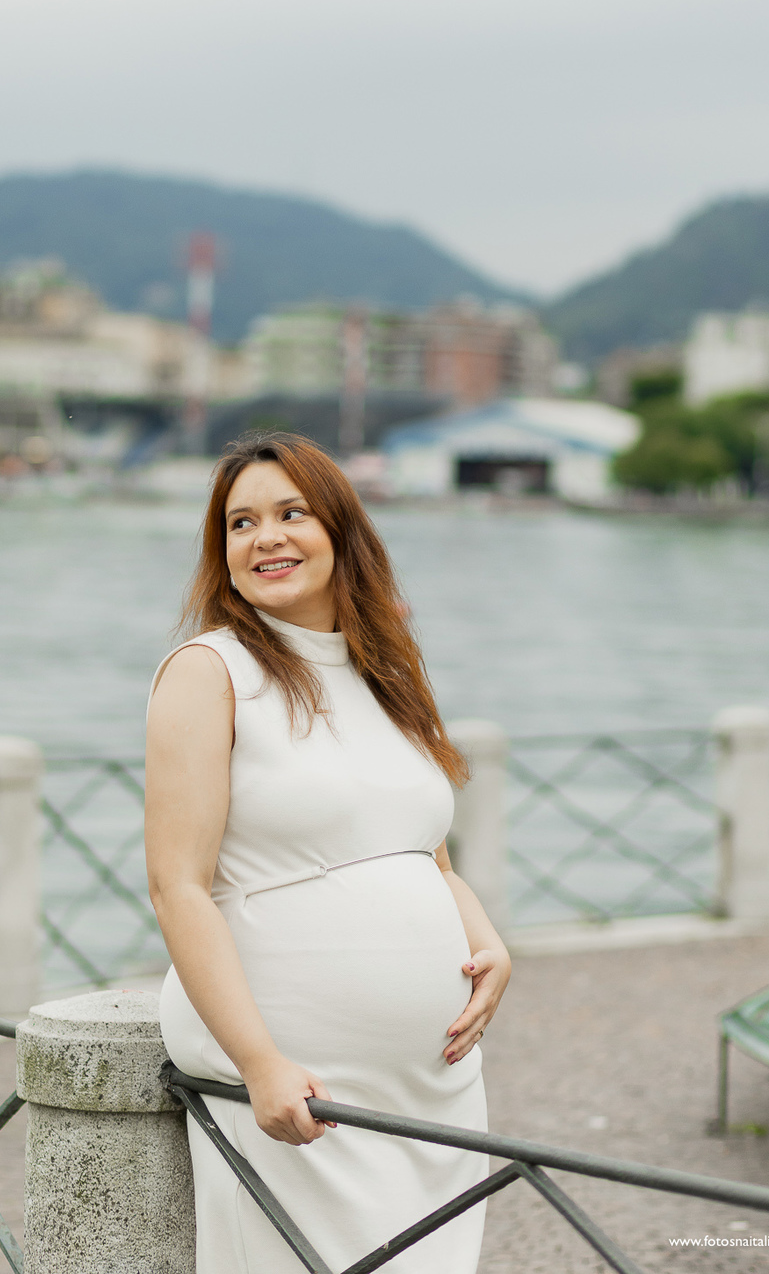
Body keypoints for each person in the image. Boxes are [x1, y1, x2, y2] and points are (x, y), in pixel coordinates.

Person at [145, 430, 511, 1273]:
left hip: (433, 1071)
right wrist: (260, 1062)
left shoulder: (388, 671)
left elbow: (426, 853)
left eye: (290, 512)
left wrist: (484, 935)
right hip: (293, 1060)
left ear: (343, 531)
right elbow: (178, 886)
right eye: (240, 523)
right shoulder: (210, 671)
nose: (264, 536)